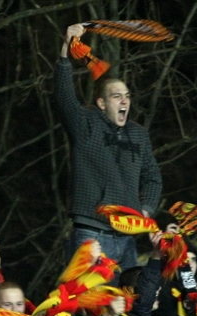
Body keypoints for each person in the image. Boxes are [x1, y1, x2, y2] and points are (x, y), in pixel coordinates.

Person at [56, 24, 162, 269]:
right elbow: (64, 96)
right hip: (92, 233)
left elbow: (153, 177)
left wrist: (145, 210)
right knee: (90, 293)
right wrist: (65, 50)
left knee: (126, 293)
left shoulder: (138, 134)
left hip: (127, 237)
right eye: (116, 96)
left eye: (127, 96)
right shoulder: (86, 124)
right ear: (102, 103)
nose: (124, 101)